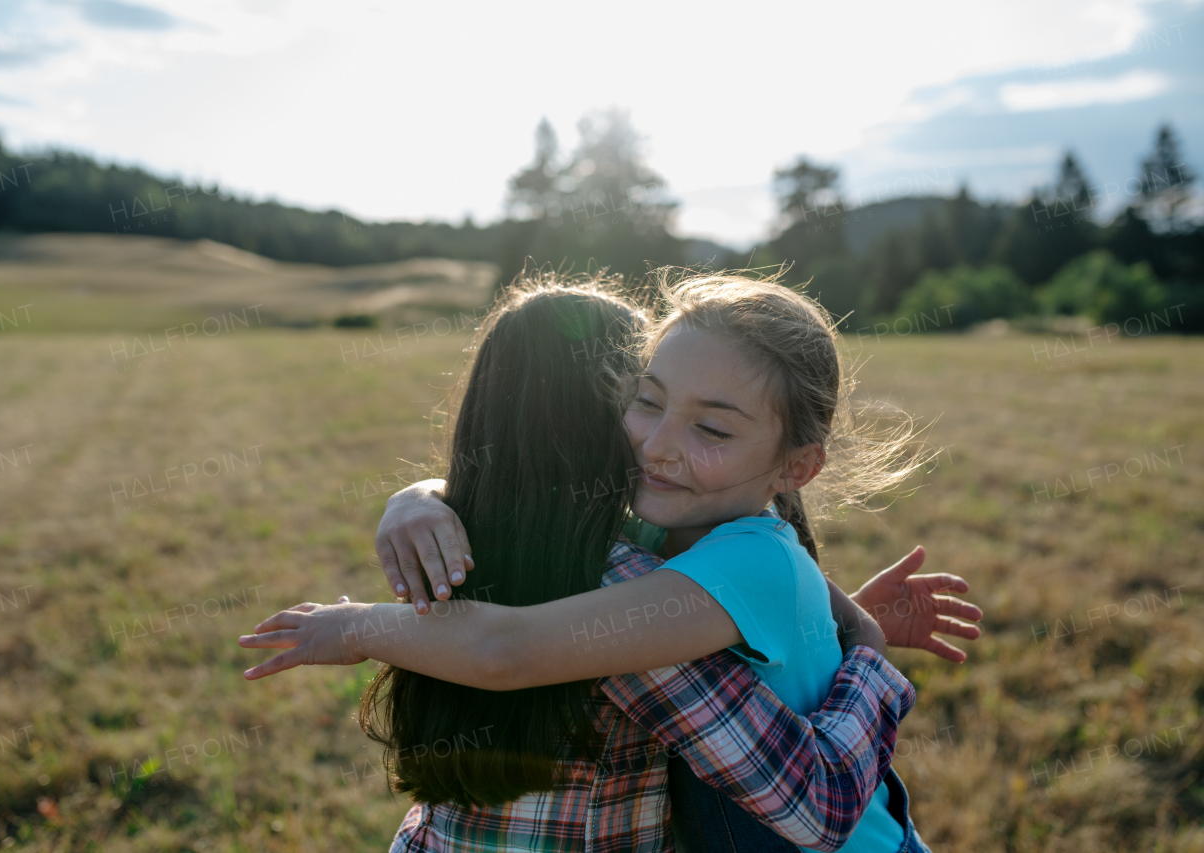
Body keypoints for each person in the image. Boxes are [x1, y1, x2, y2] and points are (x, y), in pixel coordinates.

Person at [239, 275, 981, 851]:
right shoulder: (617, 569)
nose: (656, 445)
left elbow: (507, 646)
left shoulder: (463, 553)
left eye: (709, 426)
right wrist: (419, 497)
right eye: (644, 401)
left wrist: (378, 585)